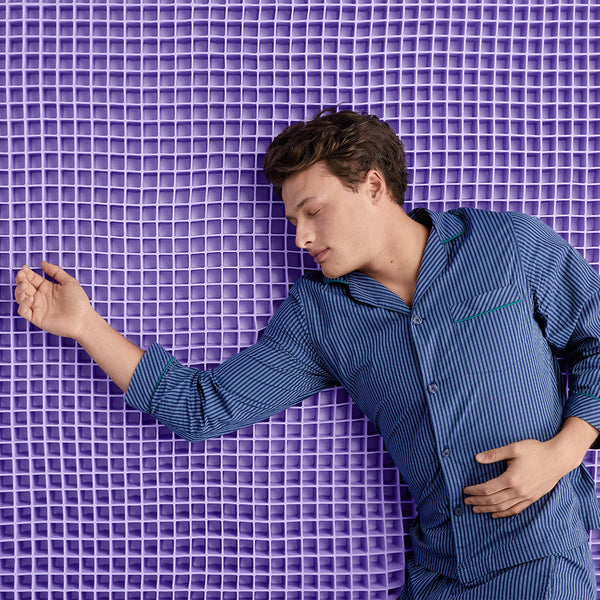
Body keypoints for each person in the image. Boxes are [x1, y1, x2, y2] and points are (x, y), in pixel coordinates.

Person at [14, 109, 600, 599]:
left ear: (373, 186)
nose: (300, 238)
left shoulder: (507, 246)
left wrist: (564, 452)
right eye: (292, 220)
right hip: (439, 579)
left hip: (545, 564)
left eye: (312, 211)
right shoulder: (318, 315)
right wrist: (85, 325)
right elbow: (203, 406)